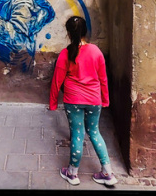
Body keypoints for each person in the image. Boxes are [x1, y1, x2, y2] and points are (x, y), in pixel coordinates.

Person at [49, 16, 117, 186]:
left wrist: (53, 103)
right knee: (95, 132)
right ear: (86, 31)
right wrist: (105, 100)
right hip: (94, 100)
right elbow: (103, 79)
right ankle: (108, 173)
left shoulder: (66, 53)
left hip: (73, 100)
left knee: (77, 134)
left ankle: (72, 173)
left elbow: (57, 80)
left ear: (69, 33)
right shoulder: (96, 52)